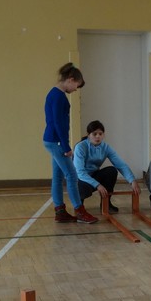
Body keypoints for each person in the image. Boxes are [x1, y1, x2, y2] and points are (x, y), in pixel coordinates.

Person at [42, 63, 98, 224]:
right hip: (56, 142)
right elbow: (58, 124)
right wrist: (66, 147)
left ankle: (60, 212)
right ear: (70, 80)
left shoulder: (53, 93)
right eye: (76, 86)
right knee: (72, 176)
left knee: (58, 176)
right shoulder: (59, 96)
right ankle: (80, 211)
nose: (75, 90)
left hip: (51, 140)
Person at [73, 120, 141, 214]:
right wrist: (98, 185)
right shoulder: (80, 147)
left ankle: (106, 204)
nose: (98, 136)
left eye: (100, 134)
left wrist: (132, 180)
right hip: (79, 178)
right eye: (94, 134)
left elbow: (120, 164)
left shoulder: (106, 147)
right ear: (88, 135)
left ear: (103, 135)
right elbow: (80, 172)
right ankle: (79, 205)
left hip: (93, 175)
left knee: (111, 171)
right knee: (83, 189)